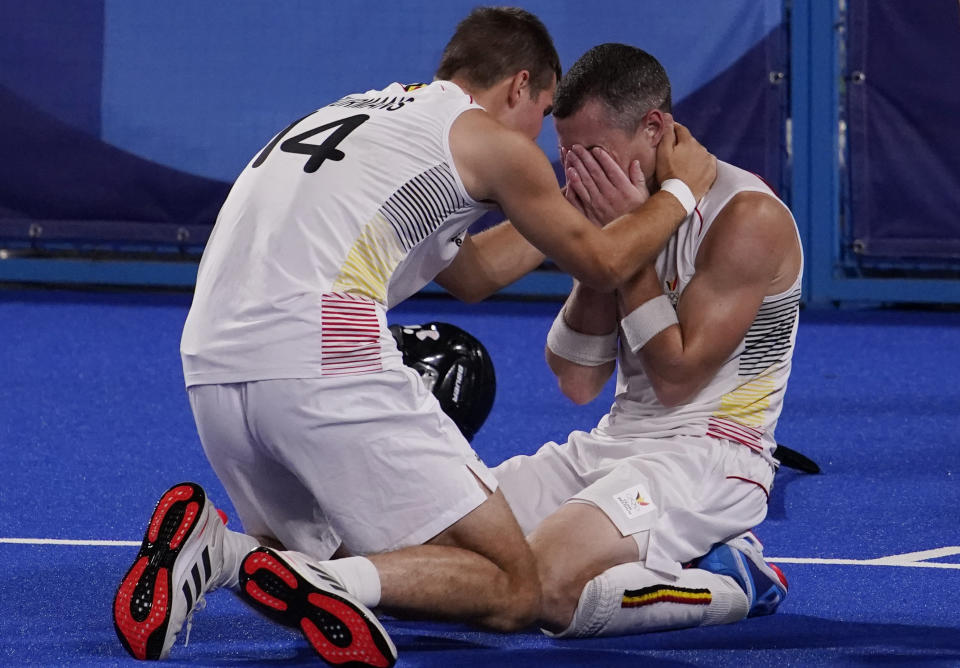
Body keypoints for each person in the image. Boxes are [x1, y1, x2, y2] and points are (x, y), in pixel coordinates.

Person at [112, 9, 716, 667]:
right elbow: (601, 263)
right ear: (519, 86)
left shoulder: (359, 117)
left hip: (208, 362)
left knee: (367, 568)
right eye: (543, 112)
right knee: (514, 587)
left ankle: (219, 549)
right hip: (321, 350)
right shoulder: (489, 139)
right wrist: (682, 189)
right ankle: (313, 577)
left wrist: (568, 205)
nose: (539, 136)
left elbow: (473, 274)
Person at [493, 43, 801, 639]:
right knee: (437, 540)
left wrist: (623, 249)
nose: (578, 172)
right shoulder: (624, 207)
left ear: (654, 128)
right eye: (567, 156)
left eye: (594, 154)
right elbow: (577, 381)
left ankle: (735, 580)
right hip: (611, 443)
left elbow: (678, 377)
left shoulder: (747, 217)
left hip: (710, 459)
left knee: (543, 587)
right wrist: (608, 248)